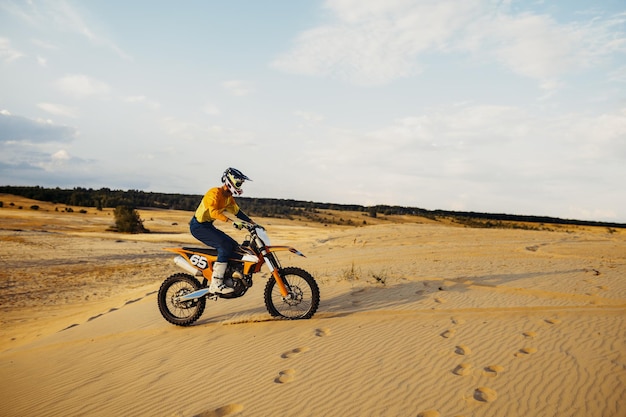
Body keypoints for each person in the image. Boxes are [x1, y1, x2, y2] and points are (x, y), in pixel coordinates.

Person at [190, 167, 254, 294]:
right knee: (224, 247)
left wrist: (253, 224)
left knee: (234, 246)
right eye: (239, 183)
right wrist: (231, 222)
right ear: (230, 181)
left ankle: (230, 274)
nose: (240, 186)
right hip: (198, 226)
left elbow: (238, 212)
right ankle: (216, 283)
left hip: (208, 226)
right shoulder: (214, 193)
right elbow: (213, 212)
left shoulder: (228, 198)